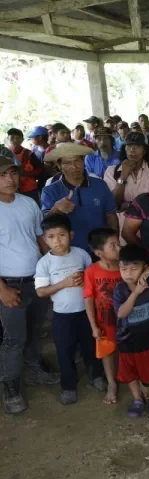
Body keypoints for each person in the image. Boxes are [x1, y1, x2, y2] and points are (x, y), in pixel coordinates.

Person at [0, 156, 59, 413]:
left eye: (12, 173)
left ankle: (34, 368)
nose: (10, 179)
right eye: (3, 175)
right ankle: (10, 385)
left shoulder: (28, 203)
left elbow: (39, 239)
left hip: (36, 280)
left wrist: (51, 270)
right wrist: (2, 290)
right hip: (9, 284)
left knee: (34, 329)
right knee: (14, 338)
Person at [35, 214, 105, 405]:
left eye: (62, 235)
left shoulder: (81, 254)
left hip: (86, 312)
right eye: (51, 237)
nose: (57, 240)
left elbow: (94, 278)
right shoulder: (44, 263)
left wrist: (86, 279)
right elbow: (41, 292)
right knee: (64, 352)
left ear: (71, 235)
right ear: (45, 239)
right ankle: (68, 386)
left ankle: (97, 375)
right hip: (62, 317)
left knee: (91, 346)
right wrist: (63, 283)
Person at [113, 244, 149, 418]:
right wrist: (136, 293)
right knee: (130, 375)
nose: (128, 273)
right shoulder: (120, 290)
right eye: (124, 268)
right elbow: (122, 313)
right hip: (126, 341)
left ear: (143, 268)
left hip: (147, 342)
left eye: (134, 268)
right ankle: (137, 400)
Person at [41, 143, 118, 254]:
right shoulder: (50, 191)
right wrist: (56, 209)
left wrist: (114, 244)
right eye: (67, 163)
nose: (74, 166)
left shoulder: (100, 185)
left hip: (101, 250)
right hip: (69, 253)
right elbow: (45, 225)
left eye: (77, 161)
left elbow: (111, 216)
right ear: (59, 166)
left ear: (83, 162)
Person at [83, 228, 122, 405]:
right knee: (108, 352)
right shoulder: (91, 271)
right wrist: (93, 326)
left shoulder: (125, 266)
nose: (119, 248)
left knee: (126, 349)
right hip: (104, 321)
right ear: (99, 253)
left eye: (118, 243)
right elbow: (88, 299)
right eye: (113, 245)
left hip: (126, 320)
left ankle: (129, 378)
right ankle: (112, 384)